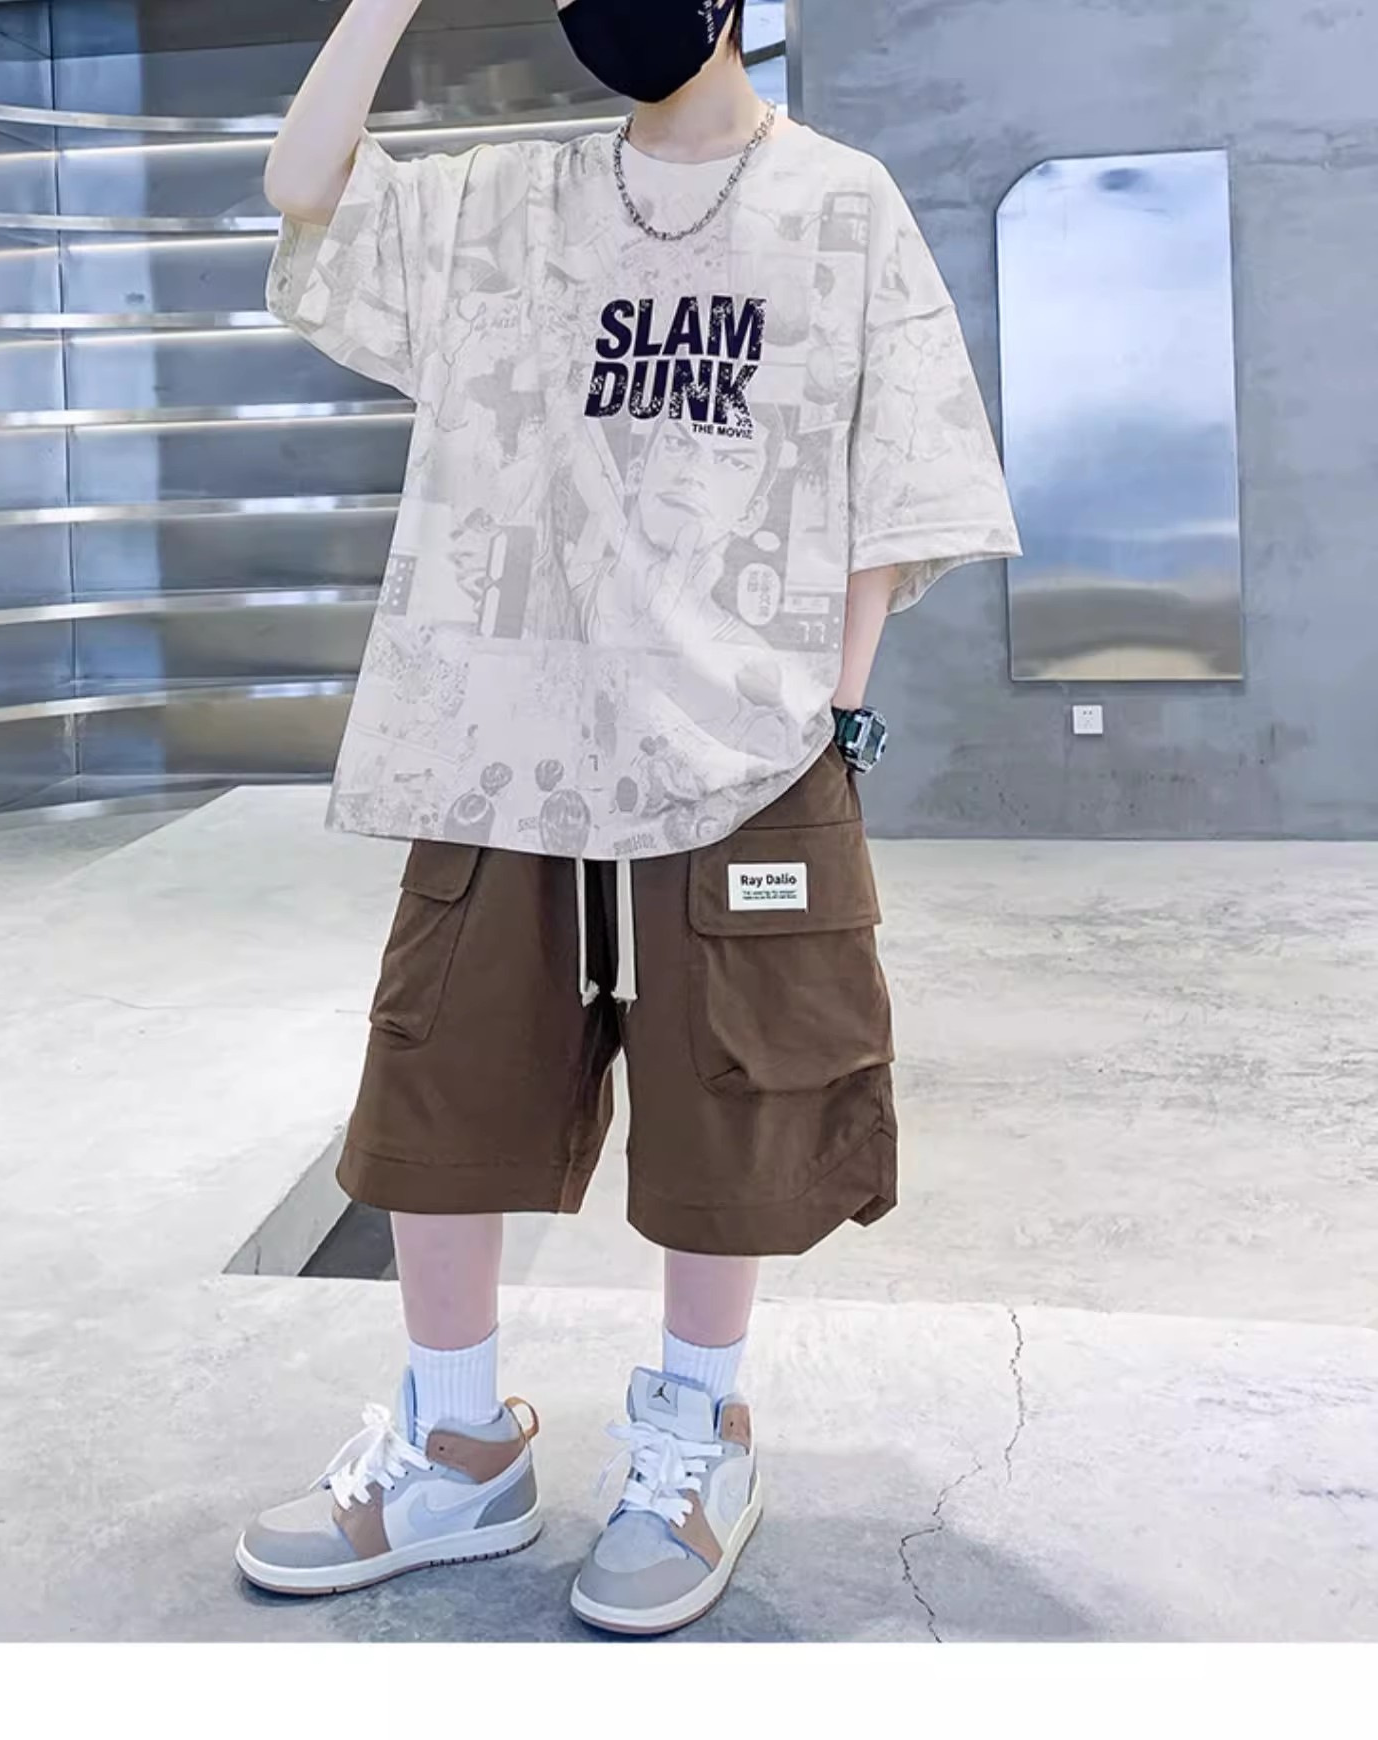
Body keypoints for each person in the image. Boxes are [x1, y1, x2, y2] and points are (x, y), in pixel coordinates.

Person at [236, 0, 1020, 1635]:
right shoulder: (511, 198)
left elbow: (901, 458)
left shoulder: (839, 199)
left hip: (743, 725)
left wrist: (833, 704)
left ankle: (694, 1437)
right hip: (502, 717)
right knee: (444, 1069)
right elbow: (305, 187)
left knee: (732, 1087)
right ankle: (457, 1445)